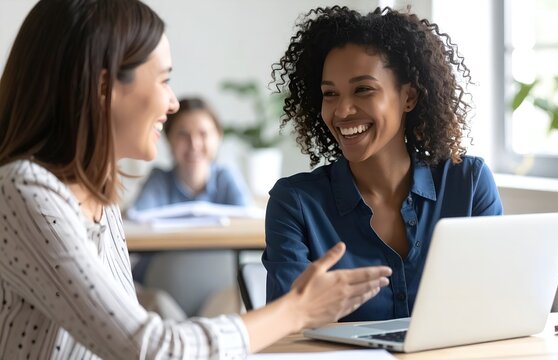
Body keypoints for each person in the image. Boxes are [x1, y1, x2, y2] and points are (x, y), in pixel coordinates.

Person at [0, 1, 392, 358]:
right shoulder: (25, 190)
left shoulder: (99, 195)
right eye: (163, 80)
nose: (172, 103)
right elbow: (147, 347)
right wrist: (296, 310)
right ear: (104, 88)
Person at [263, 6, 503, 322]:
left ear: (409, 97)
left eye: (363, 89)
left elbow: (500, 306)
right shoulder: (295, 203)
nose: (343, 110)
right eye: (330, 94)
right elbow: (285, 333)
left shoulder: (468, 183)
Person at [130, 97, 251, 317]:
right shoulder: (158, 180)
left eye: (203, 134)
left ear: (218, 137)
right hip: (161, 299)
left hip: (217, 300)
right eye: (183, 135)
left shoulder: (226, 177)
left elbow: (248, 222)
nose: (194, 144)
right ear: (168, 139)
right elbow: (136, 219)